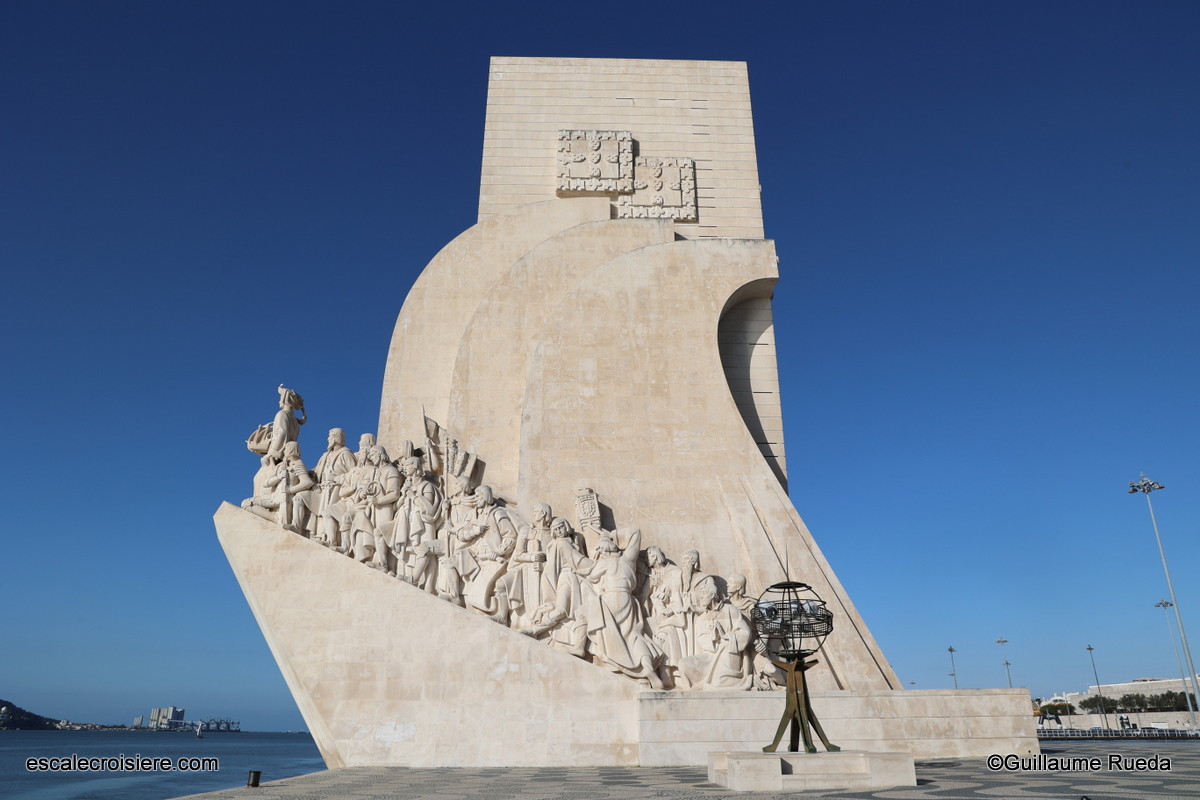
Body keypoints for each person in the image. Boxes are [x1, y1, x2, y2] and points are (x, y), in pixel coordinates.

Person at [579, 530, 665, 689]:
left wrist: (604, 540)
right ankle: (647, 667)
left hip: (611, 599)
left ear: (603, 551)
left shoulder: (604, 562)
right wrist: (613, 535)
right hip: (628, 600)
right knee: (634, 635)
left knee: (607, 633)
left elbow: (591, 578)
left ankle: (616, 664)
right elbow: (636, 533)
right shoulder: (628, 560)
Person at [307, 428, 356, 547]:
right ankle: (322, 535)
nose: (328, 439)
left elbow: (354, 472)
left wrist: (338, 478)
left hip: (336, 488)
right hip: (323, 488)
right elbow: (317, 469)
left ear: (335, 438)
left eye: (330, 436)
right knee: (322, 513)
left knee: (329, 512)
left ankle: (331, 539)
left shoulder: (346, 453)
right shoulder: (325, 455)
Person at [266, 385, 306, 461]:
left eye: (280, 398)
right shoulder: (295, 421)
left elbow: (282, 433)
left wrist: (272, 452)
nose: (279, 401)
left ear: (285, 399)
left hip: (277, 455)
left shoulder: (282, 414)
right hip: (288, 456)